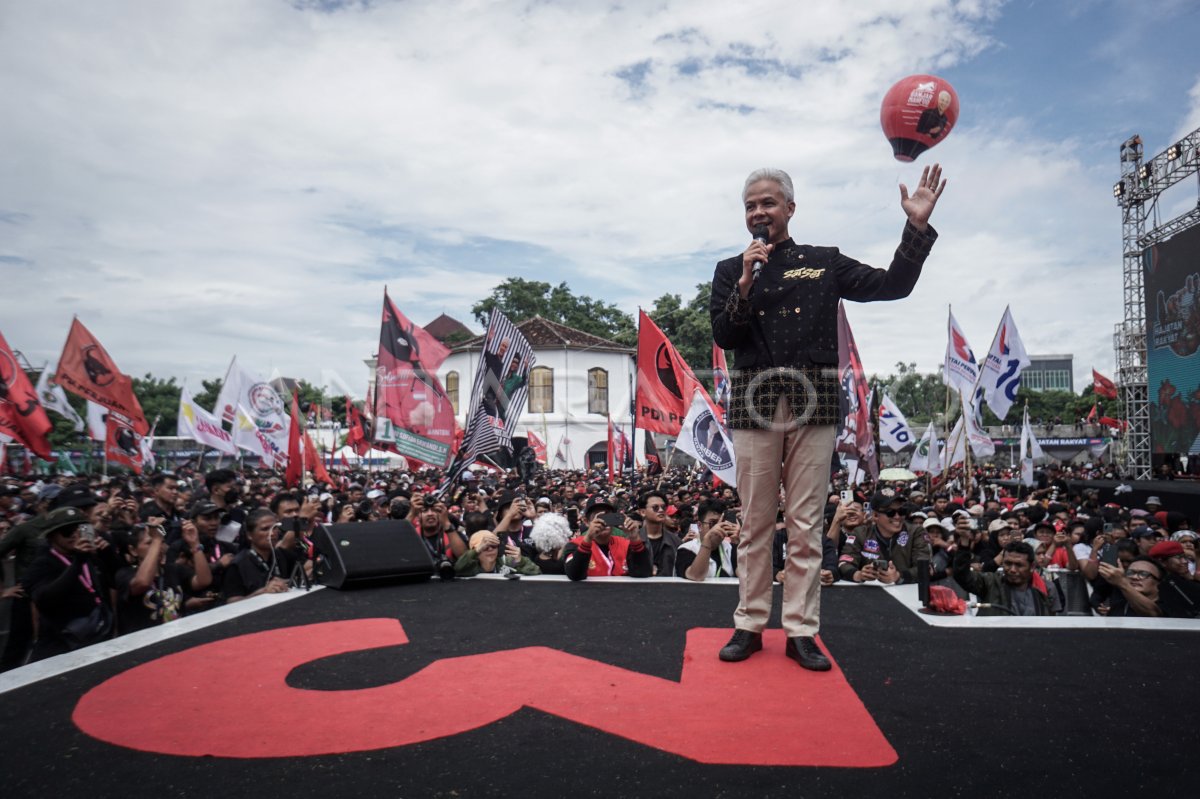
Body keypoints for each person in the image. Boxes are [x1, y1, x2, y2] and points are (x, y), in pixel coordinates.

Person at [709, 164, 945, 671]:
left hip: (813, 399)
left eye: (768, 203)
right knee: (752, 523)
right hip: (755, 402)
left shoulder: (823, 262)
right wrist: (747, 282)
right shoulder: (731, 270)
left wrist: (916, 230)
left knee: (805, 523)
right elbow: (727, 335)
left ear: (790, 208)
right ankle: (749, 624)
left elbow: (891, 286)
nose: (758, 212)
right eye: (751, 205)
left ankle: (801, 630)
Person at [21, 507, 115, 659]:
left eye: (80, 529)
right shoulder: (42, 564)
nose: (74, 535)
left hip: (96, 637)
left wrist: (108, 554)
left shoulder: (89, 555)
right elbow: (44, 599)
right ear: (52, 536)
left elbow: (115, 581)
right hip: (62, 646)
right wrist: (77, 563)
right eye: (66, 531)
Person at [837, 489, 932, 585]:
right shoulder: (861, 533)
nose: (897, 516)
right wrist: (859, 575)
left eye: (902, 511)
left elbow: (926, 567)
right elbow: (844, 562)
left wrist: (898, 576)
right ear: (875, 515)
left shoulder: (916, 532)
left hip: (906, 596)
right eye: (890, 512)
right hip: (869, 594)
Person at [953, 537, 1058, 616]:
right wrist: (964, 546)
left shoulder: (1041, 597)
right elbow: (962, 575)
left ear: (1032, 567)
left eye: (1019, 565)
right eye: (1008, 563)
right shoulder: (991, 583)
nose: (1012, 569)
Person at [562, 497, 652, 580]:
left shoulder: (626, 544)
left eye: (608, 516)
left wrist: (635, 538)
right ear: (586, 521)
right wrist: (588, 538)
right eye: (599, 517)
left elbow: (643, 573)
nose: (604, 522)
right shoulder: (574, 545)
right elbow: (574, 575)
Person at [221, 509, 294, 603]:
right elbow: (231, 602)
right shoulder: (237, 565)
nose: (272, 533)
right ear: (249, 535)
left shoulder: (283, 555)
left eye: (275, 528)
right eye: (265, 529)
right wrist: (262, 593)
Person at [677, 499, 739, 581]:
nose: (718, 528)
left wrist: (741, 542)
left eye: (721, 523)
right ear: (699, 526)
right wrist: (708, 540)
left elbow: (744, 575)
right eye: (712, 523)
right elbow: (696, 576)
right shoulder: (686, 549)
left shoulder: (730, 548)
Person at [453, 530, 541, 577]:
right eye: (485, 547)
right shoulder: (471, 566)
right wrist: (477, 550)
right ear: (475, 550)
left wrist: (521, 561)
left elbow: (536, 571)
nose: (490, 549)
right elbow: (458, 568)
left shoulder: (506, 562)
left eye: (494, 546)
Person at [635, 490, 681, 577]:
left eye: (663, 507)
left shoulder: (676, 542)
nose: (660, 510)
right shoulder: (632, 540)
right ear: (642, 512)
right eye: (655, 507)